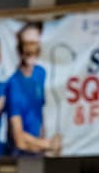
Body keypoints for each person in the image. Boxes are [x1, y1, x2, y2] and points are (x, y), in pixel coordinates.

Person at [7, 22, 60, 156]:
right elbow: (19, 138)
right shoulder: (13, 84)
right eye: (27, 44)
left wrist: (45, 144)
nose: (31, 49)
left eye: (35, 43)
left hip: (39, 152)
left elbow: (40, 112)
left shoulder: (41, 73)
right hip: (21, 155)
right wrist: (47, 145)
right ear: (20, 48)